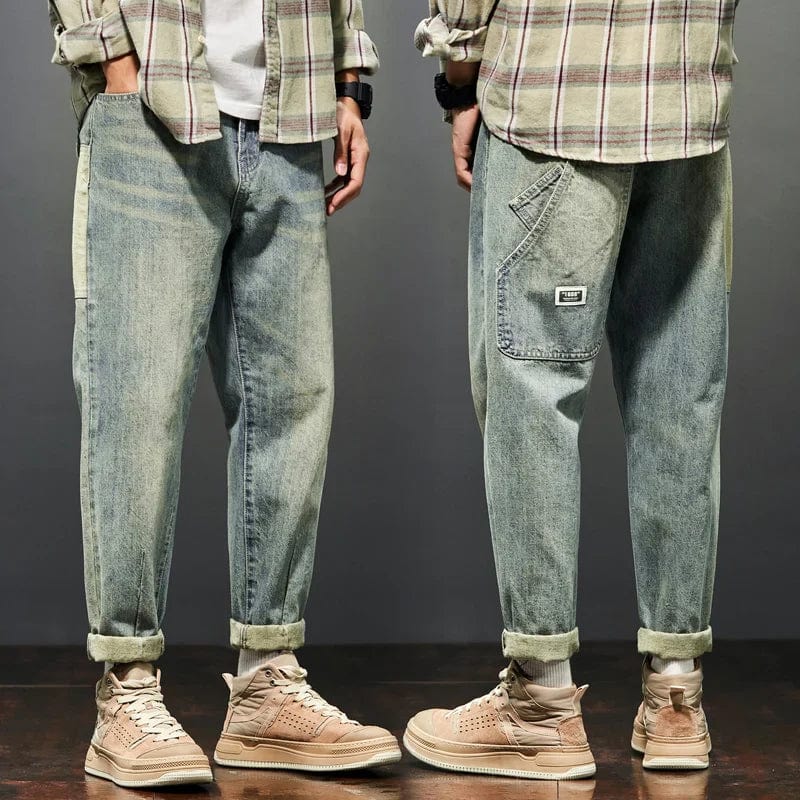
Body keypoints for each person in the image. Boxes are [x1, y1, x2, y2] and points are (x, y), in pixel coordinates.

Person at [48, 0, 401, 788]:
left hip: (291, 110)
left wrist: (348, 83)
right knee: (135, 403)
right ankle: (126, 690)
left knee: (292, 403)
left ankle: (268, 685)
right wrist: (113, 57)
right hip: (152, 107)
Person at [405, 0, 738, 780]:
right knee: (679, 398)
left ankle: (541, 707)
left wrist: (459, 77)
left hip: (556, 93)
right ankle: (678, 699)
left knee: (533, 392)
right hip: (689, 99)